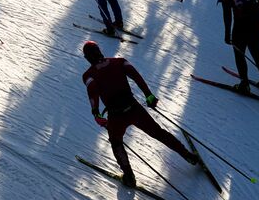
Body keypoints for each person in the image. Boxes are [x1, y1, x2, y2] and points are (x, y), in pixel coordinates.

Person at [81, 41, 198, 188]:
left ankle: (129, 176)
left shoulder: (88, 75)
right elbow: (136, 76)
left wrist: (97, 114)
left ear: (87, 58)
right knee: (158, 132)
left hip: (116, 116)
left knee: (116, 143)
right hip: (134, 109)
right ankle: (187, 155)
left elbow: (92, 91)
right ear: (100, 51)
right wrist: (148, 95)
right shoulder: (119, 62)